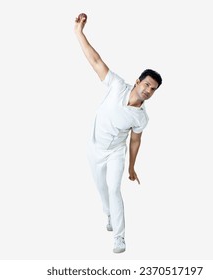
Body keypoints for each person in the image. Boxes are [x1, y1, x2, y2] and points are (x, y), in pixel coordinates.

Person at [74, 13, 162, 254]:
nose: (148, 91)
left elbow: (135, 142)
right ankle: (109, 215)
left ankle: (120, 238)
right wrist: (79, 33)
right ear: (137, 81)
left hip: (115, 154)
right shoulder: (116, 85)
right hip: (94, 148)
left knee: (114, 189)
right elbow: (95, 61)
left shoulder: (141, 117)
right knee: (102, 192)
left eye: (152, 90)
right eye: (146, 85)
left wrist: (132, 168)